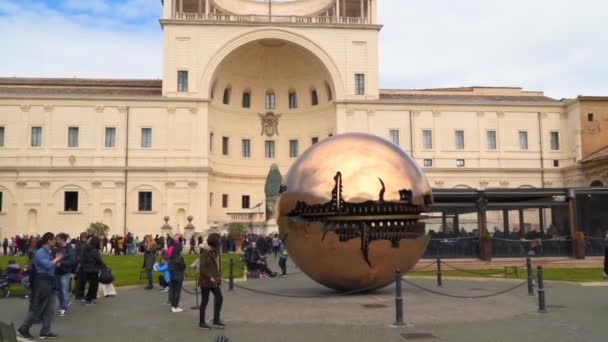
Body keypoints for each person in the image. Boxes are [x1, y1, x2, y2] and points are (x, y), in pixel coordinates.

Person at [17, 232, 63, 340]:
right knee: (38, 307)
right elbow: (46, 265)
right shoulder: (41, 252)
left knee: (49, 308)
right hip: (42, 281)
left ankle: (45, 331)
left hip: (50, 281)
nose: (55, 241)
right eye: (53, 240)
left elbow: (52, 266)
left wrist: (57, 262)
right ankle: (23, 329)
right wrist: (56, 260)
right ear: (48, 241)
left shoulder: (49, 252)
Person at [199, 233, 225, 330]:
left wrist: (217, 277)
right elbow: (202, 268)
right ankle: (201, 322)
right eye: (219, 240)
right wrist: (210, 277)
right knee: (204, 301)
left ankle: (216, 320)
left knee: (219, 298)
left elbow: (215, 266)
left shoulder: (215, 252)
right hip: (206, 281)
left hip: (214, 281)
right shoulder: (205, 252)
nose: (220, 242)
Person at [55, 233, 77, 316]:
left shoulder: (69, 249)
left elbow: (72, 260)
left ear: (62, 239)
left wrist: (61, 263)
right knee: (58, 290)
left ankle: (64, 307)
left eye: (58, 239)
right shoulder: (58, 248)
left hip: (65, 272)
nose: (56, 240)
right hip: (57, 271)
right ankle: (63, 304)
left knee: (64, 290)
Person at [81, 236, 105, 305]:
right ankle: (90, 299)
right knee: (93, 285)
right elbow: (98, 260)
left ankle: (88, 298)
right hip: (93, 269)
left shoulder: (86, 248)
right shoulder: (94, 251)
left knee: (90, 285)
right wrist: (103, 266)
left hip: (86, 268)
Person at [168, 243, 185, 313]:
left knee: (172, 291)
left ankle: (173, 305)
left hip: (172, 275)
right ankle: (175, 306)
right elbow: (183, 266)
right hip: (178, 275)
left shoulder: (170, 257)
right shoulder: (180, 258)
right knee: (177, 292)